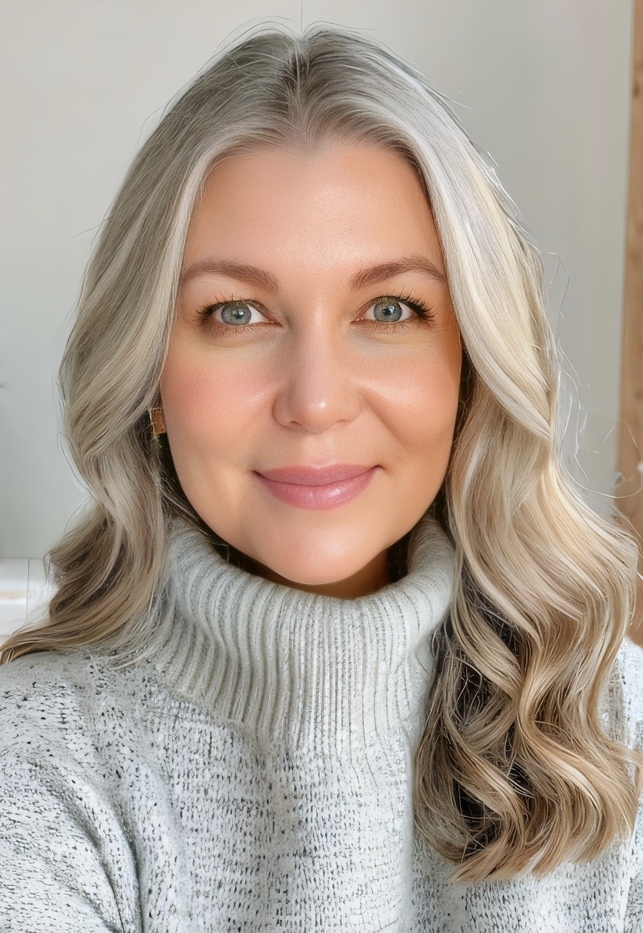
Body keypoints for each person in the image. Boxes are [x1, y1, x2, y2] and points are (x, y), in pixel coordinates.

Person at [0, 22, 641, 932]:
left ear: (468, 366)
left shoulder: (617, 729)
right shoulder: (36, 759)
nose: (315, 400)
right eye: (236, 312)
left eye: (389, 309)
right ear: (148, 379)